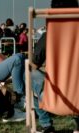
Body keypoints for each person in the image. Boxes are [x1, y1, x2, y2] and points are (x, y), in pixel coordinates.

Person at [32, 0, 79, 132]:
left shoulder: (49, 37)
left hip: (56, 99)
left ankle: (47, 125)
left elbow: (33, 66)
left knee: (28, 74)